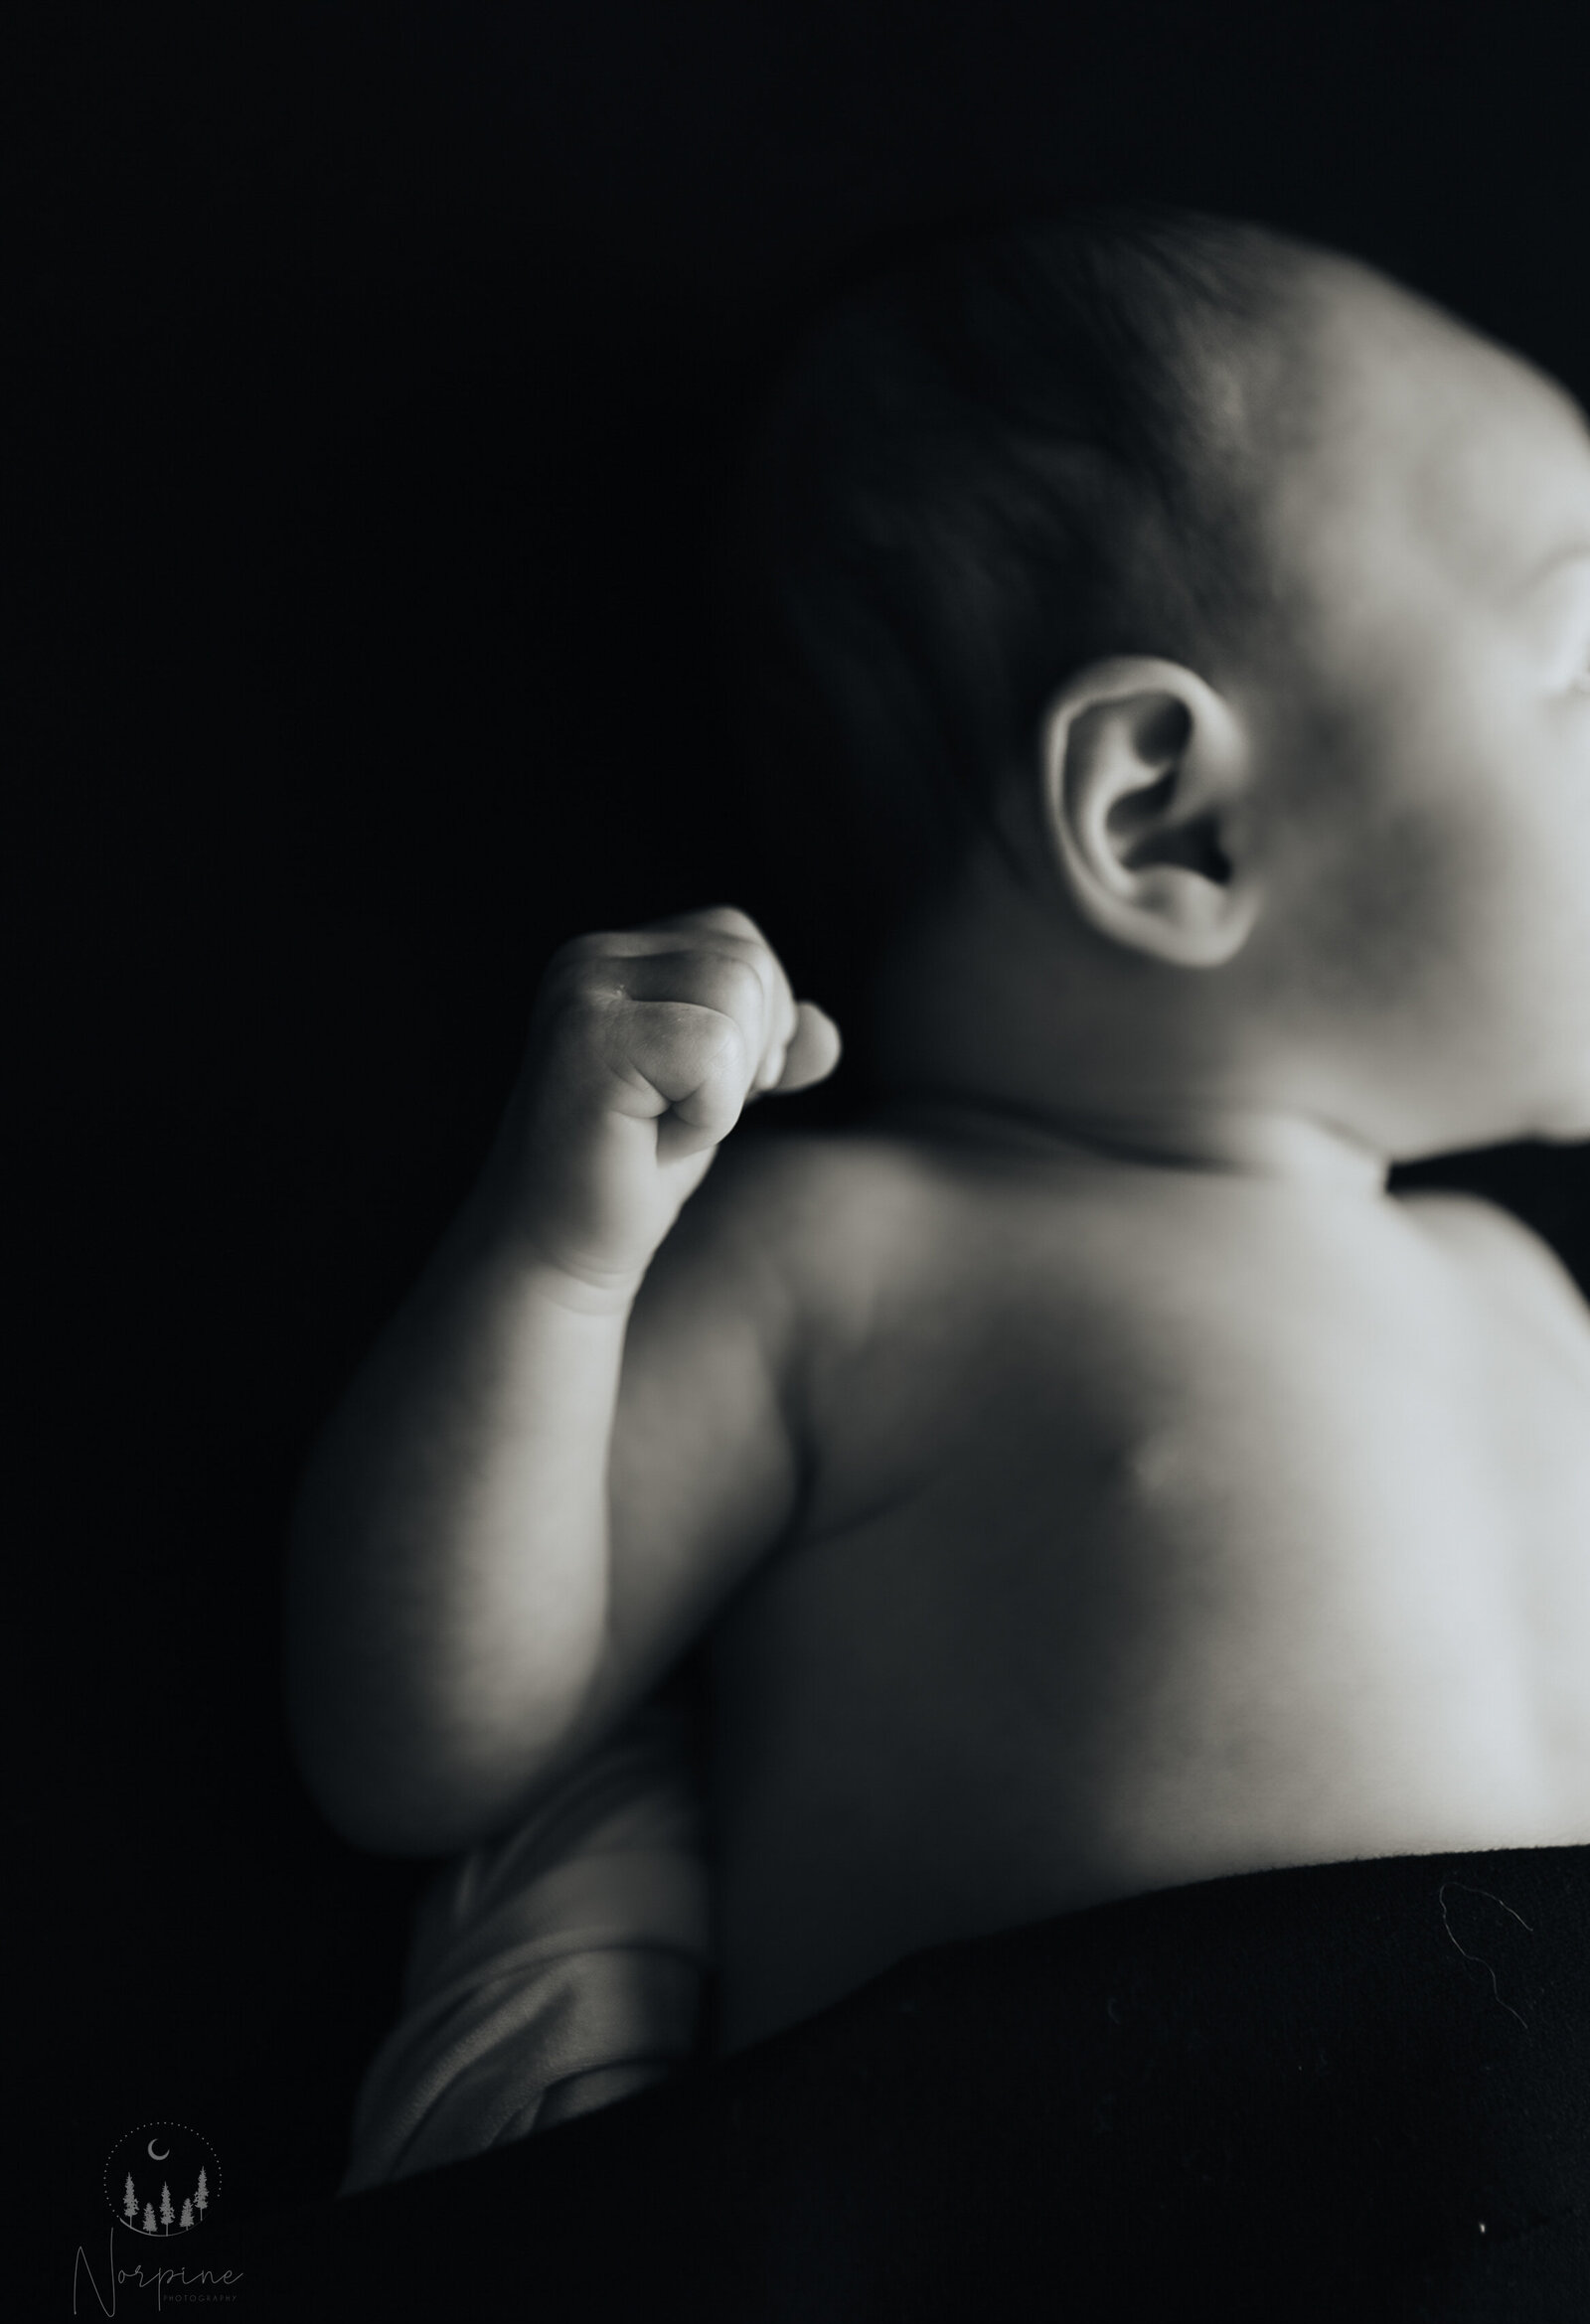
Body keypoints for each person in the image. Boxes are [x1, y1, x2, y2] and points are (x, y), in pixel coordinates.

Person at [285, 201, 1590, 2211]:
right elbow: (422, 1746)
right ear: (1166, 818)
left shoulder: (1515, 1288)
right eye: (1575, 665)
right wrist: (555, 1258)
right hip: (1136, 2233)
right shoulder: (862, 1259)